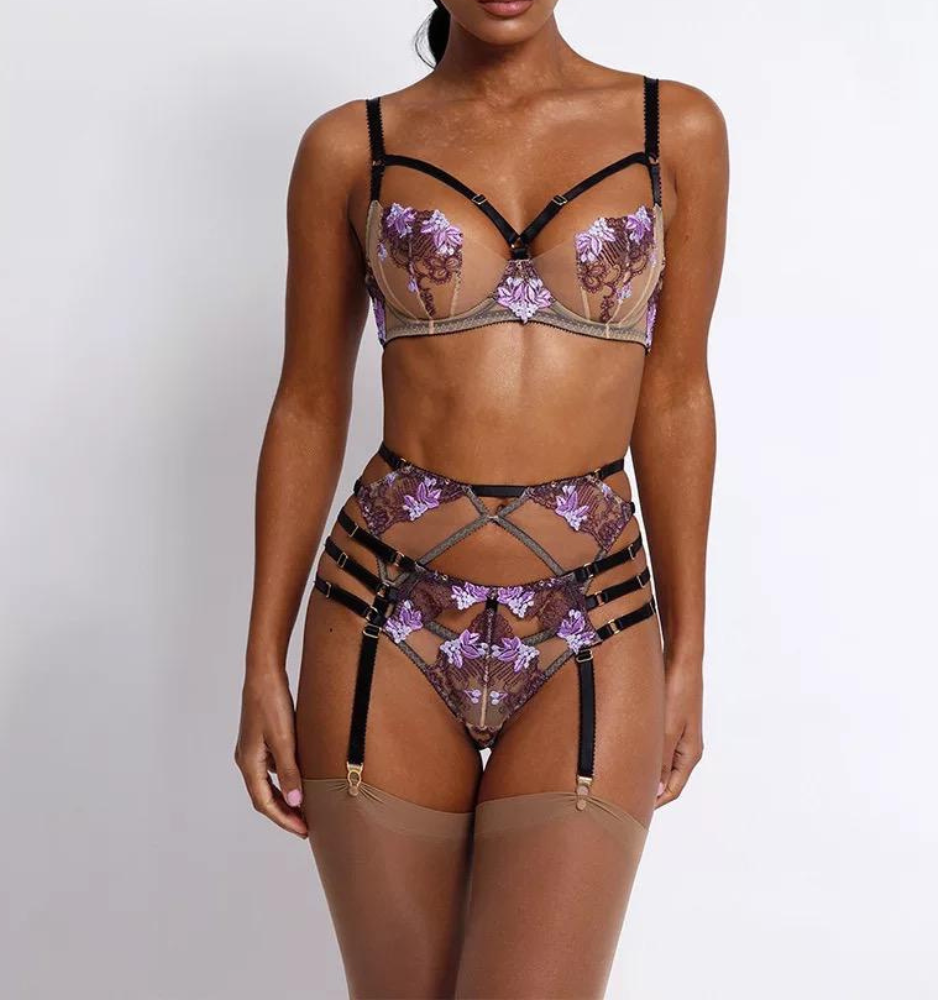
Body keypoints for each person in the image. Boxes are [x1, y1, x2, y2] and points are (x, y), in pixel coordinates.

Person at [236, 0, 728, 994]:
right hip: (382, 618)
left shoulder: (672, 128)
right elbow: (308, 402)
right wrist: (261, 659)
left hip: (596, 620)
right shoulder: (350, 146)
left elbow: (676, 394)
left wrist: (689, 649)